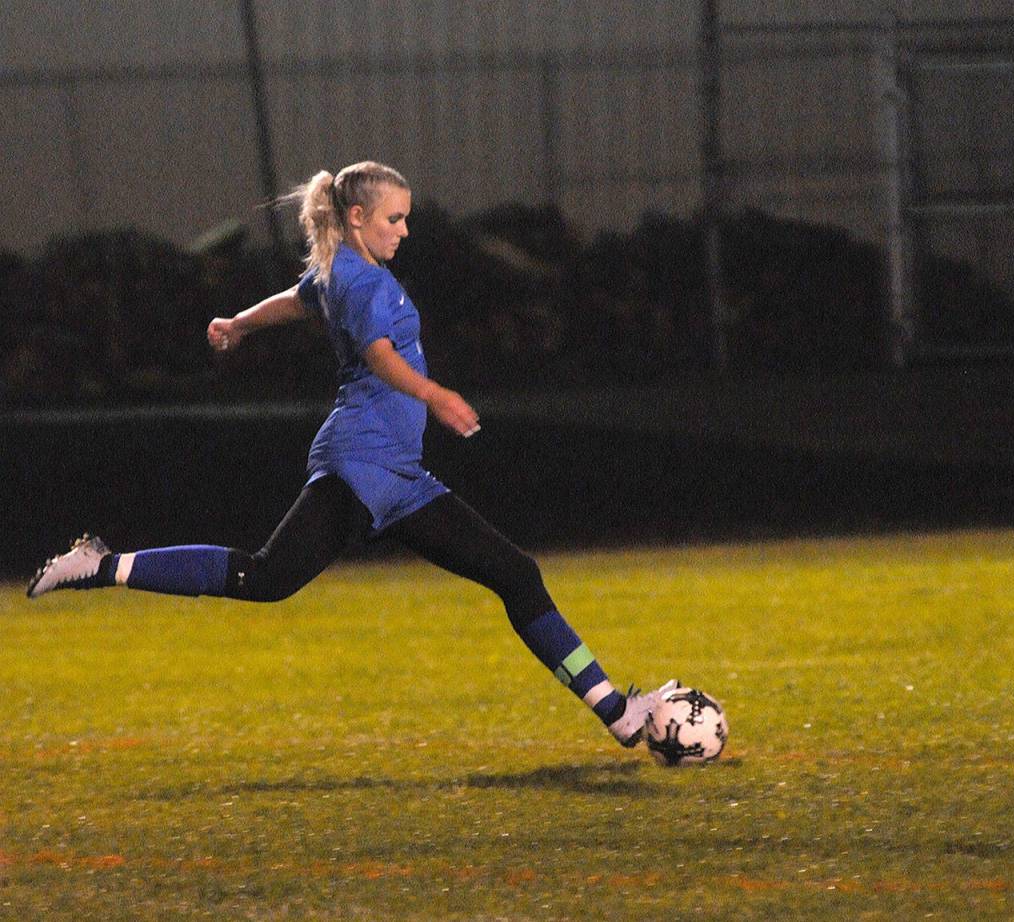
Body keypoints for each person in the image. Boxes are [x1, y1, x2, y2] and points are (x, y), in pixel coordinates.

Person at [27, 161, 677, 747]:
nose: (404, 231)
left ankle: (620, 716)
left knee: (512, 574)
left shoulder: (344, 271)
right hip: (362, 463)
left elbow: (293, 300)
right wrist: (436, 394)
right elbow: (379, 357)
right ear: (359, 217)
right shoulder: (362, 283)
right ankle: (101, 565)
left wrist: (237, 323)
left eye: (407, 219)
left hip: (398, 475)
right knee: (267, 577)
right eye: (395, 219)